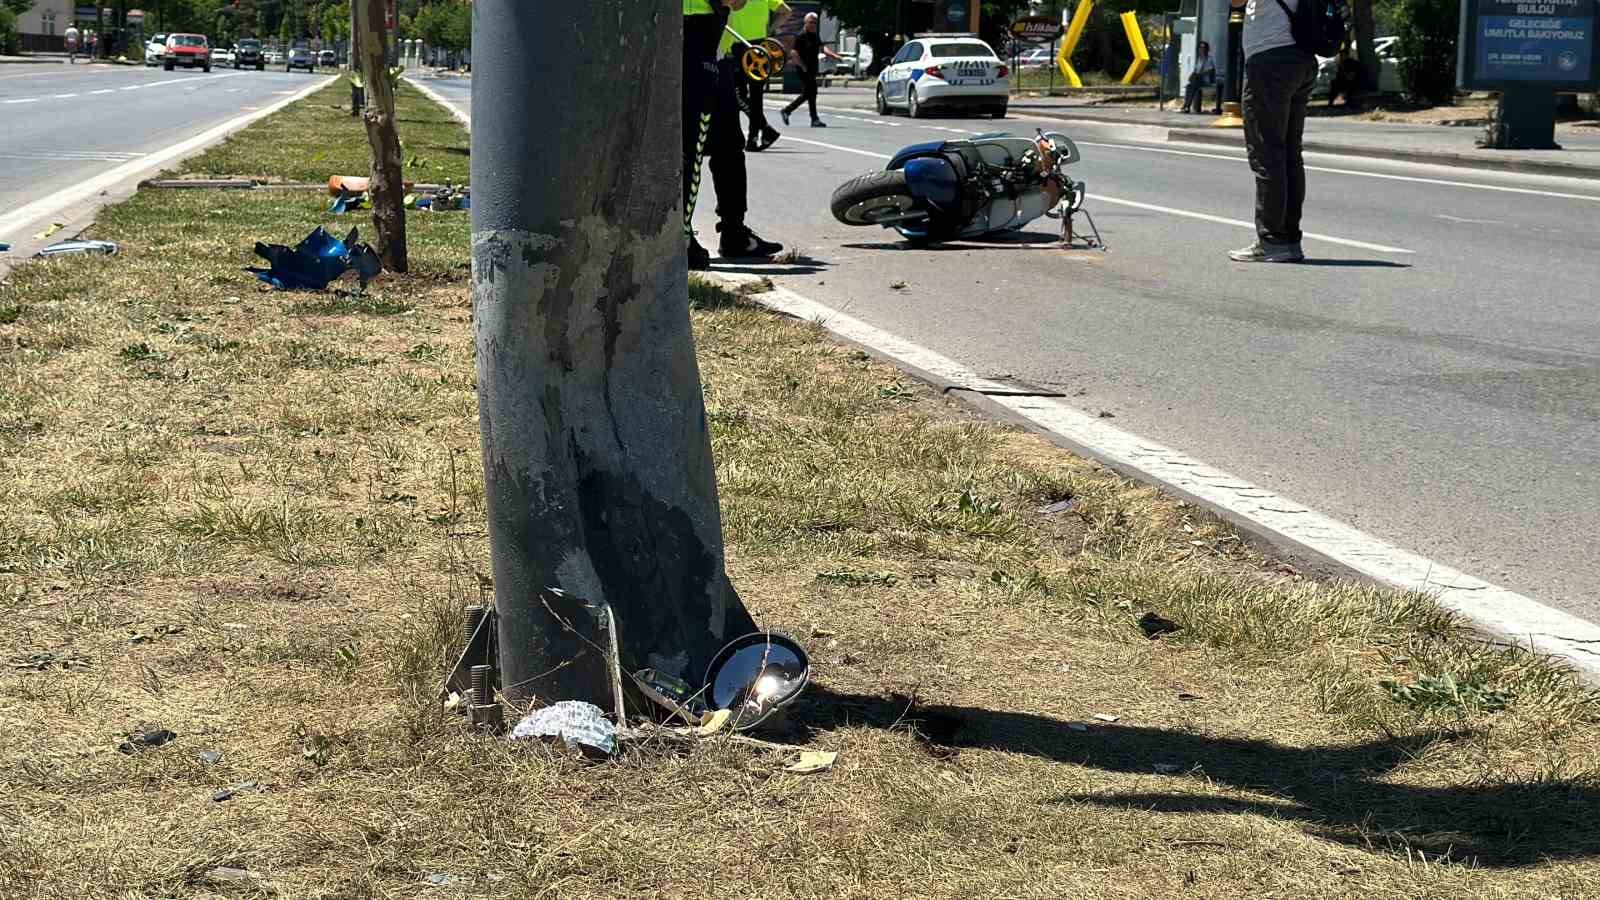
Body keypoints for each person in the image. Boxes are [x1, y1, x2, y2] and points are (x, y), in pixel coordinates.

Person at [685, 0, 785, 270]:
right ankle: (679, 236)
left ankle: (734, 233)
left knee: (728, 144)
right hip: (691, 36)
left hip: (714, 46)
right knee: (689, 146)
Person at [1229, 0, 1318, 263]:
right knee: (1291, 156)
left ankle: (1272, 240)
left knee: (1267, 153)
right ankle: (1290, 239)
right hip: (1302, 58)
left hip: (1270, 59)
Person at [722, 0, 791, 152]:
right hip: (760, 47)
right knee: (756, 96)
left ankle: (763, 131)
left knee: (737, 94)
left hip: (738, 45)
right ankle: (755, 137)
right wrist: (770, 30)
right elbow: (786, 11)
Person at [781, 13, 841, 128]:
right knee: (810, 92)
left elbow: (822, 47)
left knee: (809, 94)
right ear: (805, 22)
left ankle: (789, 111)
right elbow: (794, 53)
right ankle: (812, 118)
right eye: (810, 22)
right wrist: (803, 66)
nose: (813, 25)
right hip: (803, 69)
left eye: (814, 23)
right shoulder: (801, 36)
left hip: (812, 68)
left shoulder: (814, 35)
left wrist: (833, 55)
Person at [1182, 41, 1217, 114]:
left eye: (1203, 47)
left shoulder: (1209, 59)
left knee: (1192, 85)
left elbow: (1211, 70)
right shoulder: (1199, 59)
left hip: (1205, 80)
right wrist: (1192, 75)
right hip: (1197, 81)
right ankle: (1187, 106)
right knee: (1189, 86)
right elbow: (1196, 70)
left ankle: (1186, 106)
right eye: (1200, 47)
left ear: (1207, 49)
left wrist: (1201, 74)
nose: (1201, 49)